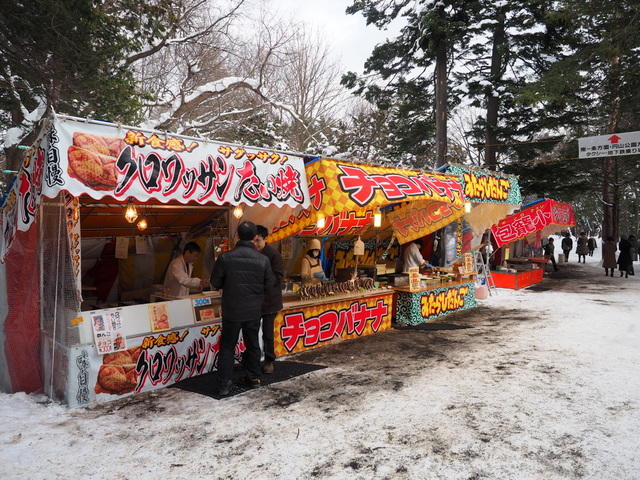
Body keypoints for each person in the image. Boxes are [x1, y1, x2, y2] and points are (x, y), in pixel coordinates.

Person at [212, 221, 274, 396]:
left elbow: (215, 282)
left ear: (238, 236)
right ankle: (254, 378)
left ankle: (224, 384)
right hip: (254, 310)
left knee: (227, 347)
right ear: (255, 237)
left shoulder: (225, 257)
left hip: (232, 309)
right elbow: (270, 286)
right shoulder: (263, 260)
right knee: (253, 343)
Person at [253, 225, 284, 375]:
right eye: (253, 241)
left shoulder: (273, 255)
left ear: (265, 239)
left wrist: (261, 282)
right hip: (254, 301)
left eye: (258, 240)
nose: (256, 244)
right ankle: (253, 359)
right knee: (252, 331)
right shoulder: (252, 253)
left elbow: (278, 277)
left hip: (270, 301)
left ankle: (269, 360)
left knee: (267, 333)